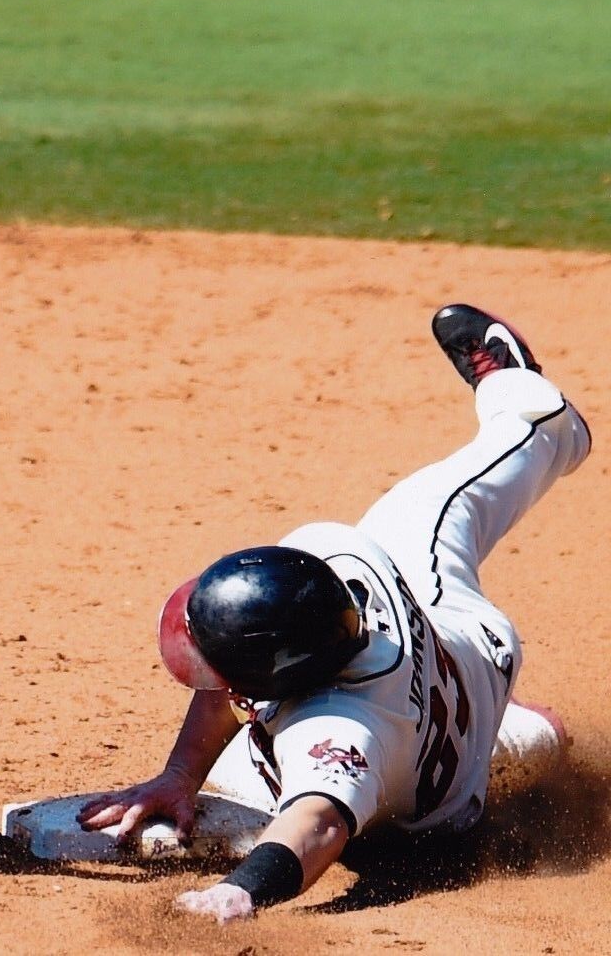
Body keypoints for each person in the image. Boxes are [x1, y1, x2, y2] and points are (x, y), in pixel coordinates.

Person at [77, 304, 590, 922]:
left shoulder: (342, 731)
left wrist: (239, 891)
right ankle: (534, 415)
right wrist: (179, 773)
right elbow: (245, 659)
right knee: (443, 501)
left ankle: (526, 735)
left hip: (431, 782)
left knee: (251, 786)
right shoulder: (325, 563)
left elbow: (315, 825)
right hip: (460, 643)